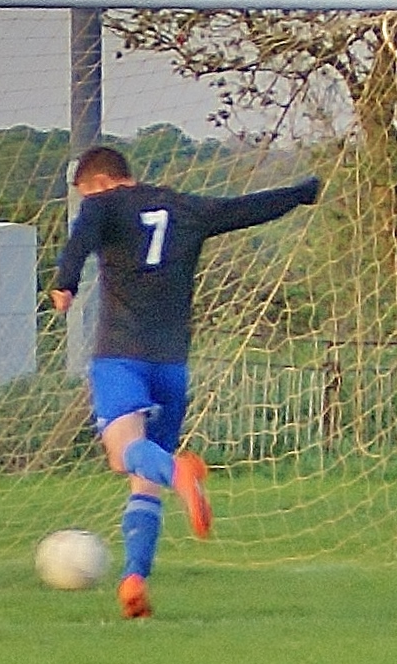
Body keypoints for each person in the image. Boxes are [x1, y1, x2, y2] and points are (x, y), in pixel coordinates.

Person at [50, 145, 321, 619]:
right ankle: (134, 579)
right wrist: (301, 192)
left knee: (124, 453)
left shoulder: (101, 204)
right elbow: (244, 210)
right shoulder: (186, 208)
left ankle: (180, 473)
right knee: (144, 481)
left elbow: (81, 239)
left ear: (99, 182)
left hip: (121, 355)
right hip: (171, 365)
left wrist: (65, 282)